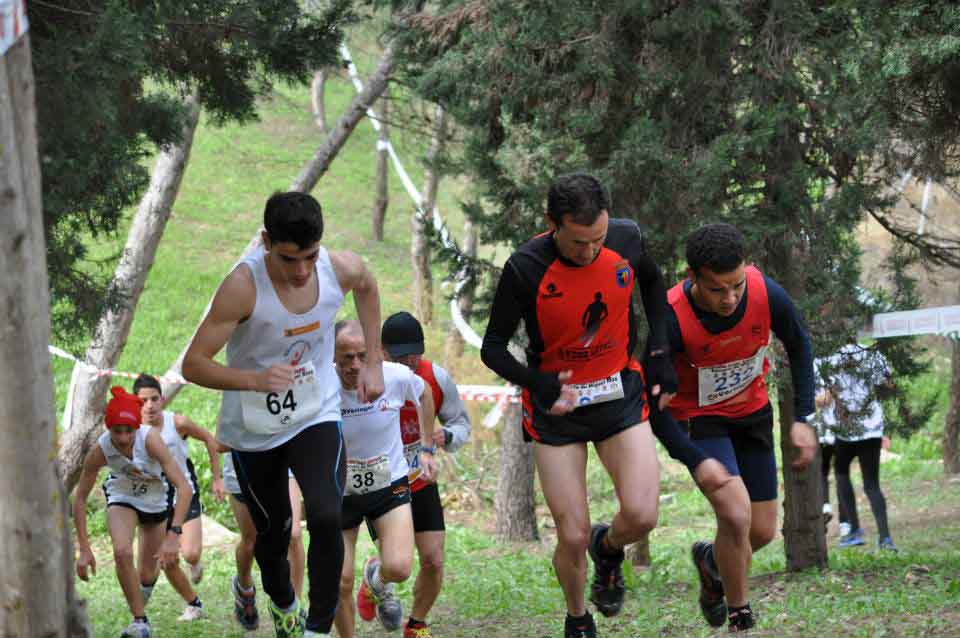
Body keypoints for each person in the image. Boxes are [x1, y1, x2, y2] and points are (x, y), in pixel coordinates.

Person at [480, 173, 725, 638]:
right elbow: (492, 347)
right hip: (557, 411)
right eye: (577, 242)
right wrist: (536, 382)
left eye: (597, 239)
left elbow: (652, 287)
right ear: (552, 223)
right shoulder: (526, 267)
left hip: (618, 395)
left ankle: (608, 549)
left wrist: (658, 351)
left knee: (642, 515)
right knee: (570, 535)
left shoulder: (626, 238)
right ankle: (578, 617)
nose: (590, 251)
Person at [182, 191, 385, 638]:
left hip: (315, 411)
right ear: (266, 241)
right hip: (255, 426)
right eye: (289, 259)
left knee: (328, 515)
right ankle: (283, 602)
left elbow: (368, 287)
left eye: (310, 257)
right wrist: (254, 380)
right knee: (273, 534)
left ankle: (316, 627)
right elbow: (193, 364)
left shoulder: (339, 268)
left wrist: (373, 361)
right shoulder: (243, 286)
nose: (301, 271)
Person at [663, 223, 817, 633]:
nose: (731, 298)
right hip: (702, 419)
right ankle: (740, 616)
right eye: (718, 290)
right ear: (692, 276)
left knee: (762, 530)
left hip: (753, 415)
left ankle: (713, 563)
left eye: (736, 286)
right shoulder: (672, 317)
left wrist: (803, 418)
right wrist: (691, 457)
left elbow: (800, 345)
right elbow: (654, 402)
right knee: (735, 515)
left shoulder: (765, 292)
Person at [332, 319, 438, 638]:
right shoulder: (319, 384)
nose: (354, 365)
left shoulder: (394, 376)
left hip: (388, 484)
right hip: (338, 491)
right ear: (331, 356)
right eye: (346, 357)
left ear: (376, 354)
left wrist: (427, 447)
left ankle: (375, 578)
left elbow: (426, 394)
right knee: (339, 580)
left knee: (400, 568)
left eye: (362, 356)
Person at [73, 387, 195, 638]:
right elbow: (81, 498)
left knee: (148, 574)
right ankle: (140, 622)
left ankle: (144, 601)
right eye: (117, 431)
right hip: (123, 496)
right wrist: (84, 547)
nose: (124, 437)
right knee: (122, 551)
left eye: (129, 430)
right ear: (108, 429)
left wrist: (174, 534)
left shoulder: (150, 440)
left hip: (155, 502)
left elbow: (184, 488)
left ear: (137, 428)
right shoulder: (101, 450)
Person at [379, 311, 472, 638]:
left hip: (420, 479)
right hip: (383, 484)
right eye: (401, 356)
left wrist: (446, 436)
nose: (410, 362)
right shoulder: (369, 379)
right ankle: (374, 579)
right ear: (382, 352)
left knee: (433, 559)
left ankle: (416, 624)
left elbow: (461, 423)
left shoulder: (436, 377)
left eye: (415, 353)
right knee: (394, 564)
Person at [133, 373, 224, 599]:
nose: (150, 405)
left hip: (184, 492)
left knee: (191, 554)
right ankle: (192, 603)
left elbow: (209, 439)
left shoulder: (178, 423)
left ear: (162, 400)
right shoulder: (131, 430)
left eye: (154, 399)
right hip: (155, 500)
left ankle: (194, 564)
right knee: (164, 560)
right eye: (143, 401)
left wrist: (216, 477)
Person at [817, 343, 897, 551]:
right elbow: (889, 385)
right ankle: (885, 538)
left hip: (846, 429)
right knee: (872, 484)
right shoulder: (871, 353)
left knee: (841, 473)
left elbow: (821, 399)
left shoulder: (826, 358)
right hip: (871, 428)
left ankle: (853, 530)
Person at [222, 452, 308, 631]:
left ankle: (292, 613)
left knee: (293, 534)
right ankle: (244, 588)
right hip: (242, 461)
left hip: (282, 453)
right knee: (251, 541)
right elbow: (220, 441)